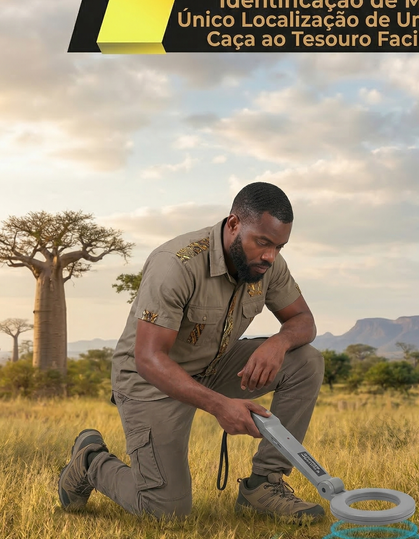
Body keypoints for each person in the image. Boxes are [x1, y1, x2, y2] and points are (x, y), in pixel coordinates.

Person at [58, 182, 325, 521]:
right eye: (263, 242)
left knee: (306, 361)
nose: (270, 256)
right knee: (166, 512)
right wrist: (220, 406)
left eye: (279, 246)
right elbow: (149, 359)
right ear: (233, 225)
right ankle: (90, 461)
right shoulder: (176, 263)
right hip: (151, 381)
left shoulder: (268, 265)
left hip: (213, 367)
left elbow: (303, 321)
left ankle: (264, 485)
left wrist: (279, 342)